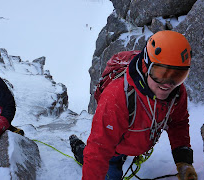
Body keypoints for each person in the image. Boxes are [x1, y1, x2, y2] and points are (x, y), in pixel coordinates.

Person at [70, 30, 197, 180]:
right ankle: (80, 150)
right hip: (114, 147)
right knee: (105, 167)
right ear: (146, 67)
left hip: (131, 138)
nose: (167, 84)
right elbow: (99, 150)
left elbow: (178, 123)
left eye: (178, 75)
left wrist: (183, 161)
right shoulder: (117, 97)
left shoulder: (177, 92)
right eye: (160, 73)